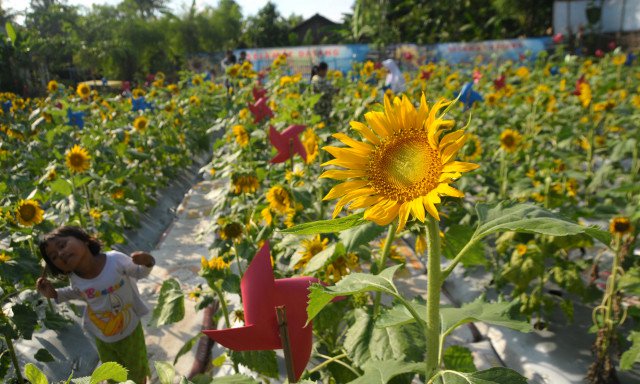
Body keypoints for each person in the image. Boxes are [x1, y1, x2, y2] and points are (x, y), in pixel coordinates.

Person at [36, 226, 156, 384]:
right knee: (112, 373)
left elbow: (139, 272)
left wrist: (148, 262)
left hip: (130, 330)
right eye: (53, 256)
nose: (60, 254)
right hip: (102, 336)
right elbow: (73, 292)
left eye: (62, 245)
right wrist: (53, 294)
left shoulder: (115, 260)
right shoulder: (75, 278)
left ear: (84, 240)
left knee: (136, 370)